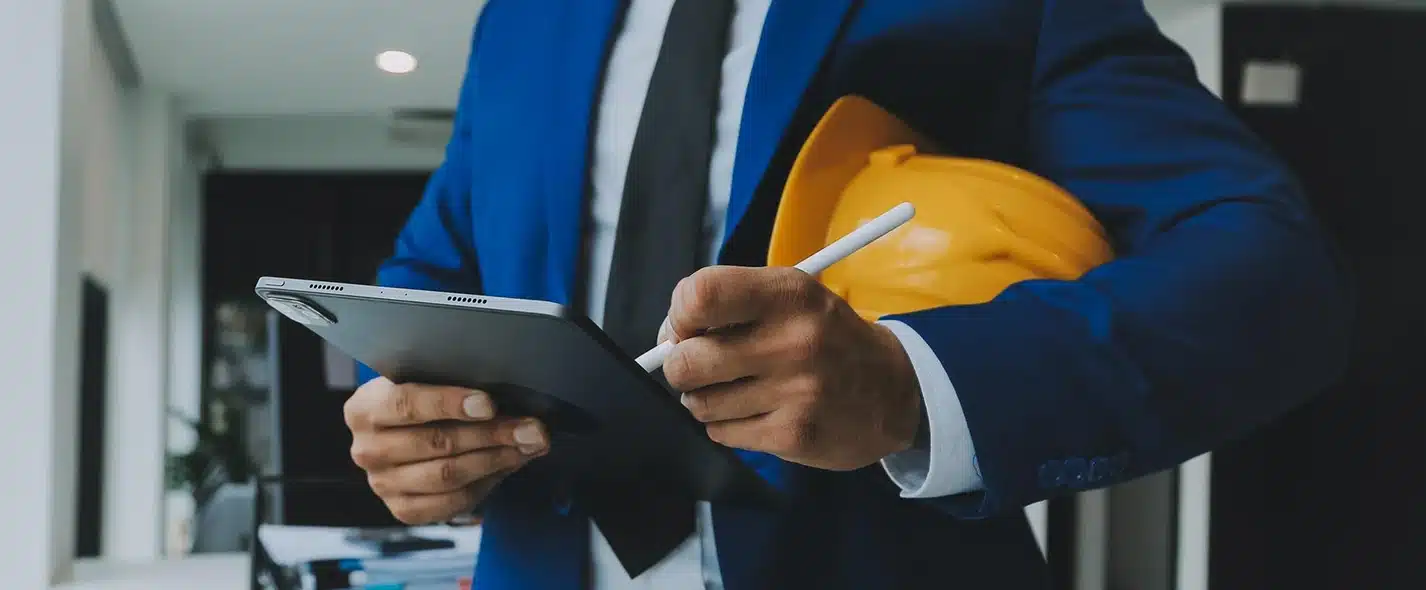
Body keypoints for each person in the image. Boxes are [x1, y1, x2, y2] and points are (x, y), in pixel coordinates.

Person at [342, 0, 1352, 588]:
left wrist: (916, 385)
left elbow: (1270, 274)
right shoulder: (522, 20)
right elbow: (435, 269)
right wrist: (408, 413)